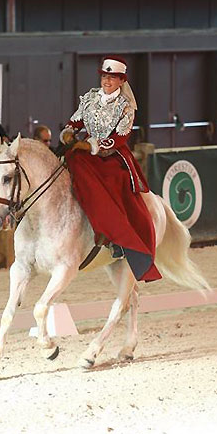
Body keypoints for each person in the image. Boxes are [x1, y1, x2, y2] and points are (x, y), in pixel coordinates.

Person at [57, 56, 161, 282]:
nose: (107, 81)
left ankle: (117, 239)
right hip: (83, 151)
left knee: (115, 183)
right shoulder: (90, 98)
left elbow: (119, 139)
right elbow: (75, 122)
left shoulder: (125, 107)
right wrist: (67, 133)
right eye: (105, 76)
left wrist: (90, 145)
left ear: (121, 81)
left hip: (111, 156)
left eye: (112, 78)